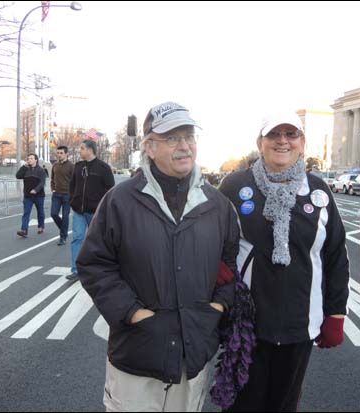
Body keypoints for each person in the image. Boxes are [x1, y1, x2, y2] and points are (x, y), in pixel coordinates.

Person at [76, 101, 239, 412]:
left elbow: (231, 265)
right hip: (138, 355)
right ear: (149, 147)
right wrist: (133, 313)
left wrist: (217, 307)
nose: (184, 147)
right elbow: (94, 264)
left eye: (189, 137)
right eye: (172, 138)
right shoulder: (120, 201)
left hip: (193, 355)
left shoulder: (217, 205)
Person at [219, 113, 350, 412]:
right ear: (260, 143)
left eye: (291, 134)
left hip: (300, 324)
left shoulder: (319, 192)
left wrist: (336, 314)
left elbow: (335, 256)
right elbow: (213, 246)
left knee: (283, 405)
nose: (283, 141)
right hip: (246, 324)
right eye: (274, 134)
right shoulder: (235, 185)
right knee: (243, 405)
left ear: (302, 143)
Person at [66, 139, 115, 281]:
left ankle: (99, 269)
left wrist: (103, 208)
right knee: (77, 238)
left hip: (96, 211)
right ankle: (76, 271)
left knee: (97, 241)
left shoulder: (103, 167)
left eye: (81, 148)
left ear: (90, 150)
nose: (79, 151)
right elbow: (72, 185)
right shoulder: (78, 166)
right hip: (78, 211)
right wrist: (72, 200)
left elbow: (110, 190)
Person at [16, 153, 47, 238]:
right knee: (26, 213)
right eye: (28, 158)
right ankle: (24, 230)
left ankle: (41, 227)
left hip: (39, 196)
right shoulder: (26, 169)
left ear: (36, 160)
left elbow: (42, 183)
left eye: (31, 158)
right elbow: (18, 176)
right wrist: (24, 167)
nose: (29, 160)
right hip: (28, 196)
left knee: (40, 212)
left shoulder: (41, 170)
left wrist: (36, 190)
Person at [50, 146, 74, 245]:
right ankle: (63, 230)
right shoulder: (55, 165)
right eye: (58, 153)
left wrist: (72, 193)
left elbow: (75, 181)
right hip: (56, 194)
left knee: (65, 216)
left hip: (67, 195)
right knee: (54, 214)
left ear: (66, 154)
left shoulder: (72, 166)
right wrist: (53, 189)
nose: (59, 155)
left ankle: (63, 237)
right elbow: (52, 178)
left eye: (61, 153)